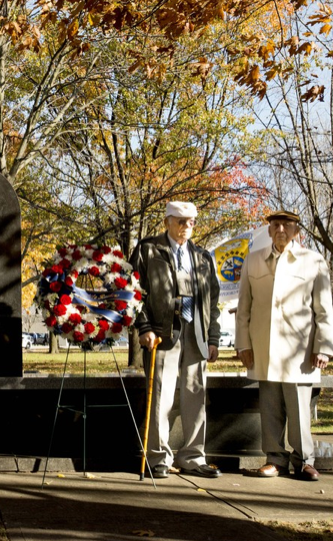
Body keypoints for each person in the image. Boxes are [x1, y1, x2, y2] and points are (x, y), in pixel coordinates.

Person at [236, 210, 333, 481]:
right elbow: (244, 307)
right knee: (269, 406)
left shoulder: (312, 261)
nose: (280, 229)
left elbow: (324, 310)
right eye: (275, 225)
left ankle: (304, 460)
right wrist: (243, 344)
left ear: (296, 231)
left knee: (299, 408)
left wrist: (323, 346)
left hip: (299, 351)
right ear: (268, 231)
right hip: (264, 348)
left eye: (286, 225)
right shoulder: (253, 260)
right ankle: (274, 459)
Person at [129, 201, 222, 480]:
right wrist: (143, 326)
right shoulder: (148, 250)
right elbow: (133, 291)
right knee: (160, 395)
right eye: (181, 221)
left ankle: (193, 456)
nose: (186, 227)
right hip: (161, 334)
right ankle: (158, 457)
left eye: (191, 222)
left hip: (196, 334)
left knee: (195, 395)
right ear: (167, 221)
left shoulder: (203, 257)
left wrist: (213, 337)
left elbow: (212, 302)